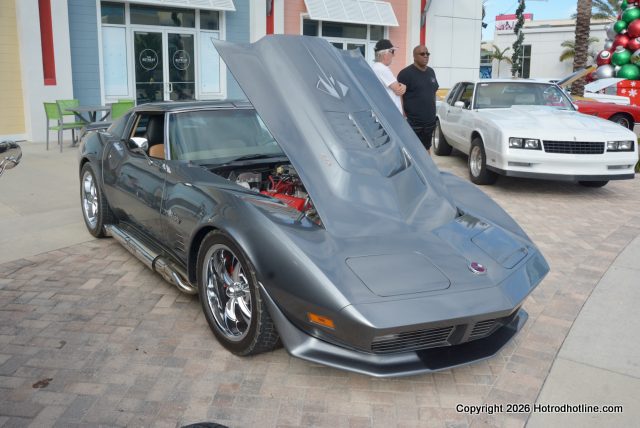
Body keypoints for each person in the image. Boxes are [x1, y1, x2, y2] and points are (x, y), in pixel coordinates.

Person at [398, 45, 439, 154]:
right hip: (413, 122)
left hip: (429, 121)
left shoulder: (431, 72)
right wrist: (404, 116)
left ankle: (427, 166)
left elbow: (433, 92)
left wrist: (433, 113)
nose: (425, 56)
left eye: (427, 54)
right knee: (410, 151)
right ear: (414, 56)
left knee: (426, 149)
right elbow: (399, 96)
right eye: (422, 54)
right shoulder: (405, 73)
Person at [370, 39, 406, 113]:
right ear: (384, 54)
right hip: (391, 113)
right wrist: (403, 86)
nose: (394, 55)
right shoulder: (382, 69)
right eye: (392, 51)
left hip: (386, 111)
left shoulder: (376, 67)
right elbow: (399, 90)